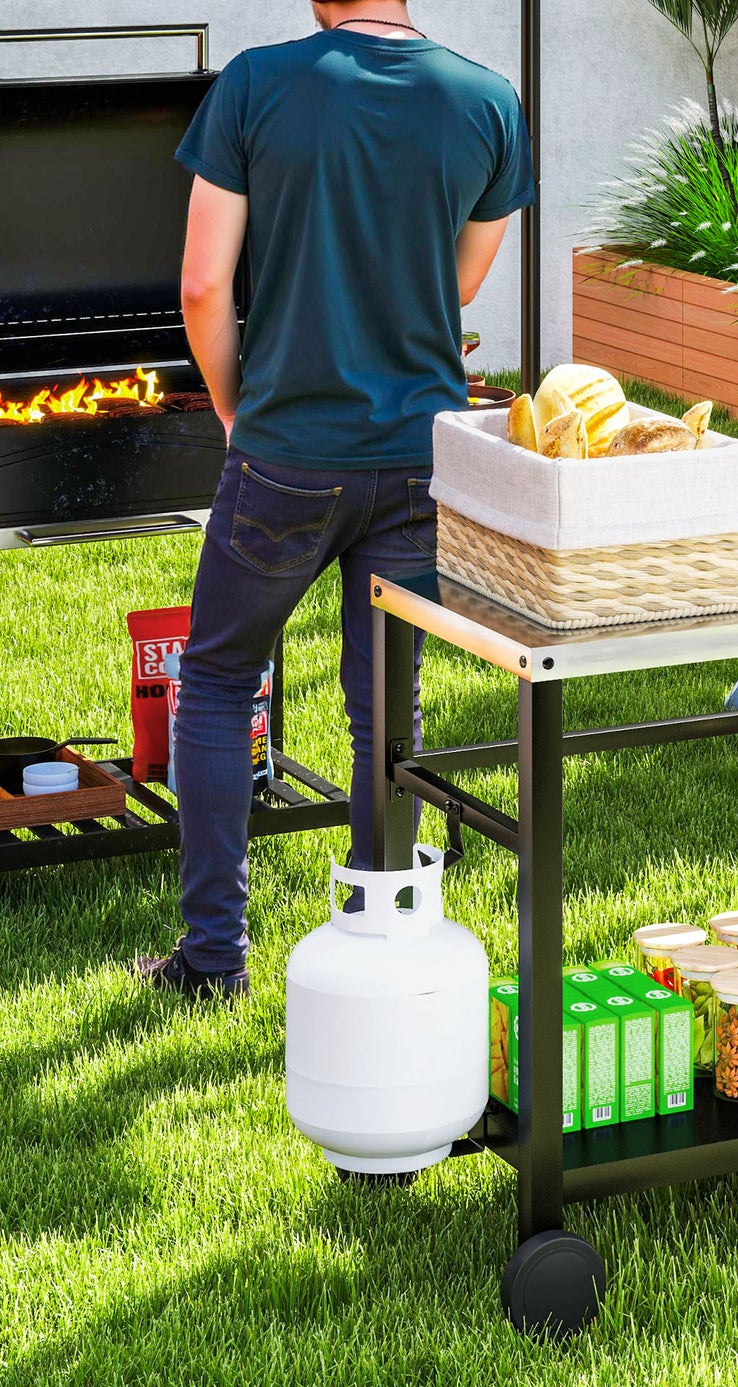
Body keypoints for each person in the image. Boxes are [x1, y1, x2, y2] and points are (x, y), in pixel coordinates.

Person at [133, 0, 535, 998]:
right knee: (382, 706)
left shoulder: (256, 85)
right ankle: (379, 937)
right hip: (420, 459)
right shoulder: (489, 101)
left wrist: (235, 408)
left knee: (218, 678)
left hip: (286, 456)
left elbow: (201, 286)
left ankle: (212, 960)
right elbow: (460, 284)